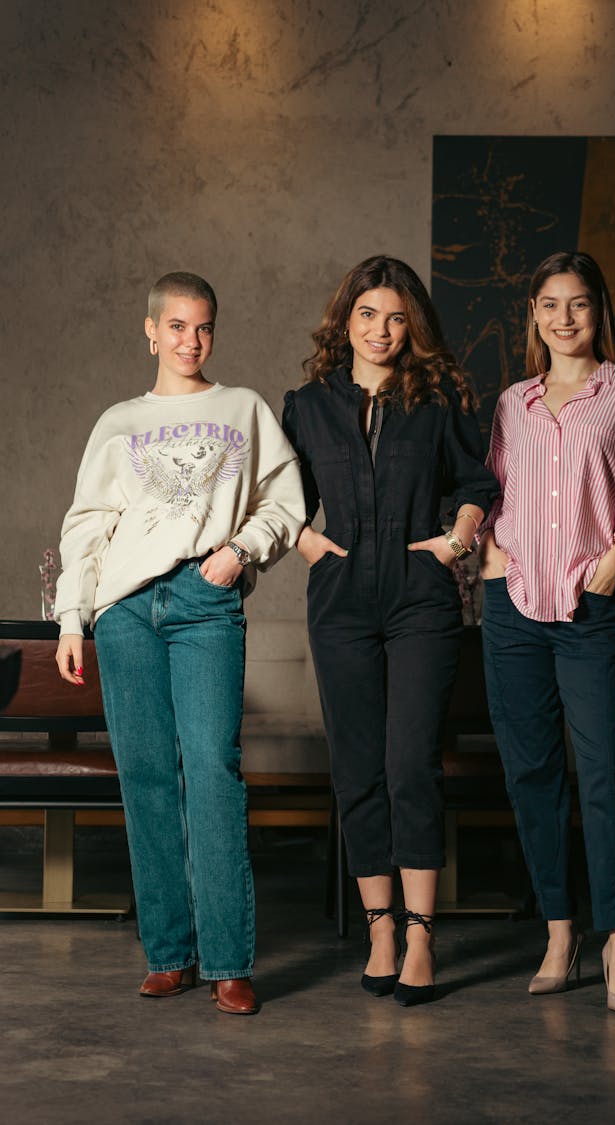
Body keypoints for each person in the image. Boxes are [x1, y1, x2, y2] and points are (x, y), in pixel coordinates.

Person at [54, 272, 305, 1014]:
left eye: (203, 328)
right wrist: (74, 618)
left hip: (205, 601)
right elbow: (86, 524)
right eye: (177, 326)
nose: (190, 341)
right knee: (147, 777)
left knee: (213, 769)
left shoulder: (244, 409)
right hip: (127, 608)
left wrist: (241, 552)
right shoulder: (120, 421)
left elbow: (287, 499)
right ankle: (170, 953)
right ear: (150, 330)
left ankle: (229, 959)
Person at [282, 255, 499, 1006]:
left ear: (414, 327)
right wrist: (309, 544)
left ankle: (419, 934)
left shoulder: (437, 398)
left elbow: (477, 482)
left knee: (410, 764)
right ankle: (378, 925)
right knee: (358, 767)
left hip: (420, 601)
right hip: (340, 601)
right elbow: (280, 501)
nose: (381, 330)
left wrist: (456, 539)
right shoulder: (306, 404)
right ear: (346, 320)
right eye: (368, 314)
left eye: (397, 317)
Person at [480, 251, 615, 1016]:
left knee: (602, 775)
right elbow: (488, 492)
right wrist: (489, 553)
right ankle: (561, 933)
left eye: (579, 304)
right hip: (513, 608)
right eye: (550, 304)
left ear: (599, 312)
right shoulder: (511, 403)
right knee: (531, 774)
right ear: (534, 314)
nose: (564, 318)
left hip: (590, 610)